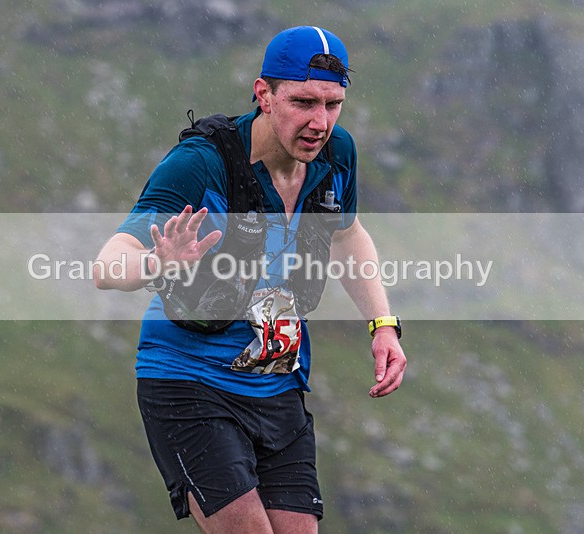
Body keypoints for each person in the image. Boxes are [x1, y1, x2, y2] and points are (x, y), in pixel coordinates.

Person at [94, 25, 407, 533]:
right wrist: (157, 263)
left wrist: (383, 325)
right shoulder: (201, 164)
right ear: (263, 94)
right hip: (189, 380)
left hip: (277, 382)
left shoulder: (336, 155)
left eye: (332, 105)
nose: (319, 122)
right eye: (303, 102)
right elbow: (108, 265)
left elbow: (348, 236)